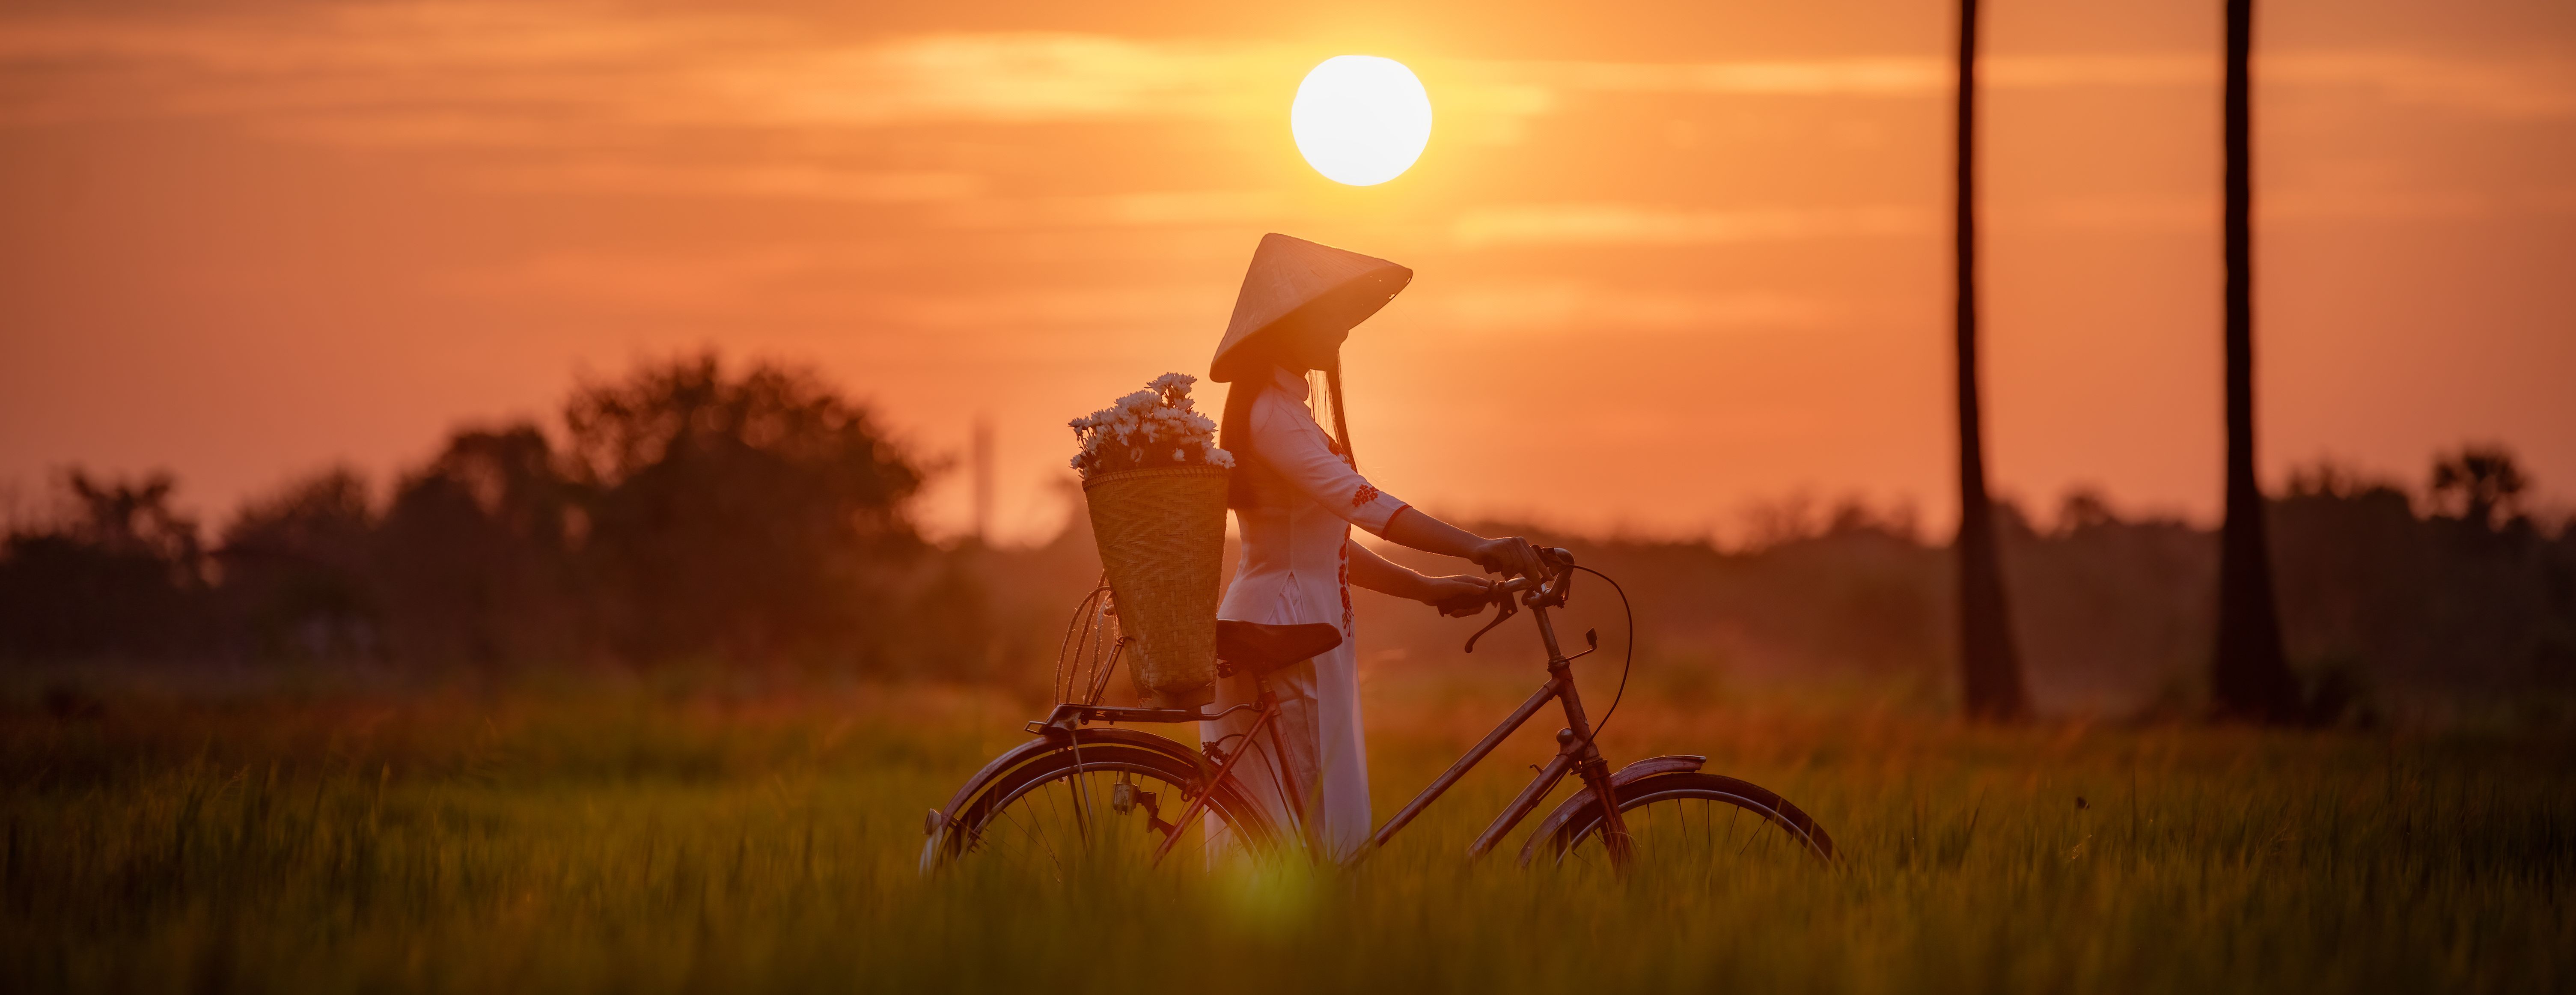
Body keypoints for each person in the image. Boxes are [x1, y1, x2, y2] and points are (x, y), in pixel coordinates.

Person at [1202, 233, 1549, 862]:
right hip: (1290, 629)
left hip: (1307, 622)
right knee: (1309, 827)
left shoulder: (1285, 411)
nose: (1340, 330)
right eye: (1328, 315)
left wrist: (1426, 589)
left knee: (1311, 820)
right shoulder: (1273, 416)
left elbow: (1325, 547)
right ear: (1288, 323)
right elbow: (1364, 506)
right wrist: (1476, 547)